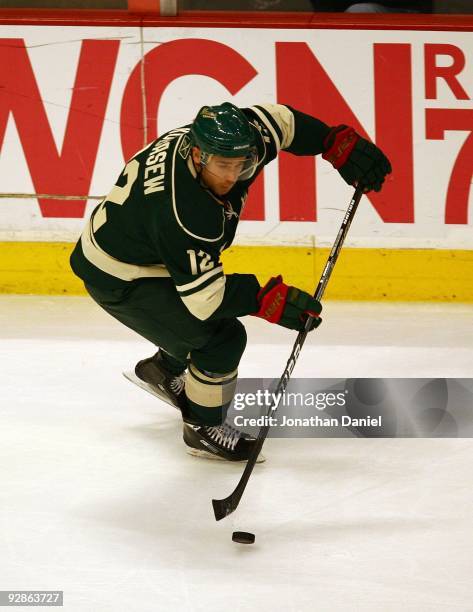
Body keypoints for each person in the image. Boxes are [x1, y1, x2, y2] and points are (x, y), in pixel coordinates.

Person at [70, 102, 391, 462]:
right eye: (223, 166)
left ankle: (164, 370)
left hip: (143, 251)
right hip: (118, 275)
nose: (232, 177)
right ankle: (203, 429)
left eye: (243, 166)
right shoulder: (184, 213)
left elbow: (282, 123)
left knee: (188, 319)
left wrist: (331, 141)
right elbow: (205, 301)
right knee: (221, 340)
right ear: (198, 154)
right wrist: (265, 299)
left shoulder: (233, 142)